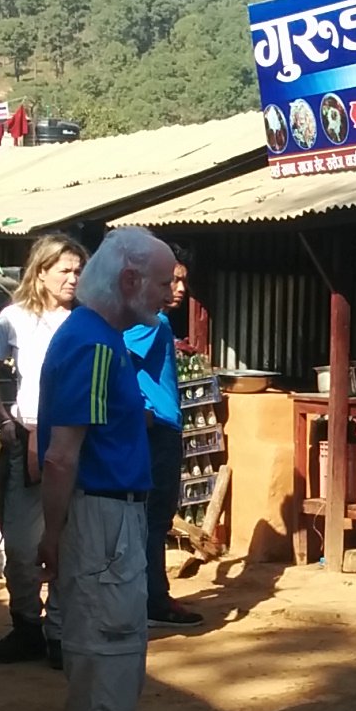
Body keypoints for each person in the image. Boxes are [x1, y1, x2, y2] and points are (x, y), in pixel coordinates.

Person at [35, 227, 177, 711]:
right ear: (128, 280)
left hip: (106, 516)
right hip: (102, 519)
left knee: (111, 653)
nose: (170, 294)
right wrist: (54, 535)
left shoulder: (96, 338)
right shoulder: (95, 345)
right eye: (164, 282)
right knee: (108, 655)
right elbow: (63, 455)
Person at [0, 229, 87, 666]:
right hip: (25, 440)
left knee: (70, 540)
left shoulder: (87, 320)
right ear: (40, 273)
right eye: (65, 270)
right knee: (21, 545)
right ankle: (26, 625)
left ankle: (59, 632)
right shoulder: (13, 317)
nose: (73, 279)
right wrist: (4, 418)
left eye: (79, 271)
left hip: (73, 440)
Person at [128, 253, 204, 632]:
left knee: (151, 518)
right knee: (155, 518)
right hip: (156, 428)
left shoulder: (153, 322)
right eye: (171, 281)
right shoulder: (151, 323)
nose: (179, 290)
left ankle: (149, 597)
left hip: (158, 426)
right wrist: (140, 406)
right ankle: (154, 600)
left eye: (183, 281)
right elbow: (117, 357)